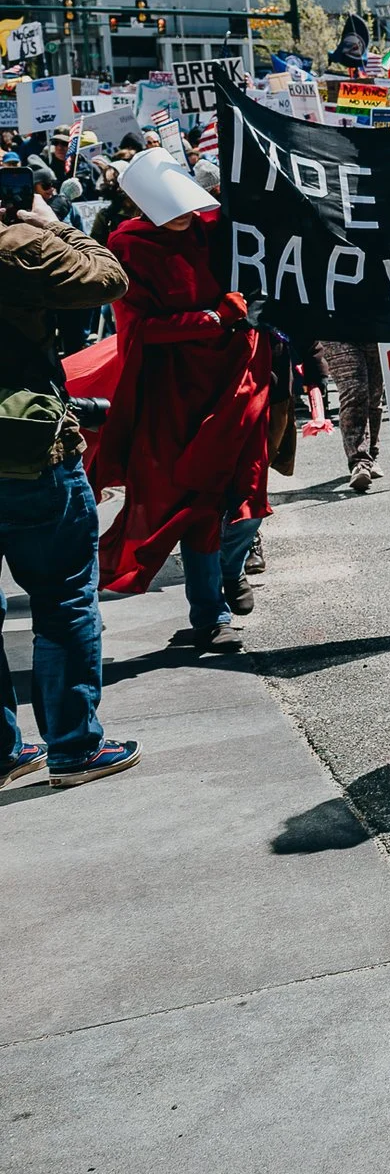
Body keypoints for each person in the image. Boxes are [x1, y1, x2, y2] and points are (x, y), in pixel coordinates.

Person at [91, 149, 281, 652]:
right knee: (197, 503)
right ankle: (211, 612)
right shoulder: (127, 246)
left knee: (248, 495)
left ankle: (226, 575)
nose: (185, 216)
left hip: (237, 378)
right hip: (174, 394)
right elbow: (139, 330)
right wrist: (213, 318)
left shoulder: (215, 225)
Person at [0, 186, 136, 789]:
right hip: (27, 460)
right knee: (64, 598)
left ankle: (6, 750)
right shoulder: (14, 248)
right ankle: (74, 747)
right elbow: (110, 279)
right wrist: (55, 226)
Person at [316, 338, 387, 492]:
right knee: (354, 391)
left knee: (374, 394)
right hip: (336, 331)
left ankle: (371, 454)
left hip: (374, 329)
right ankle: (359, 461)